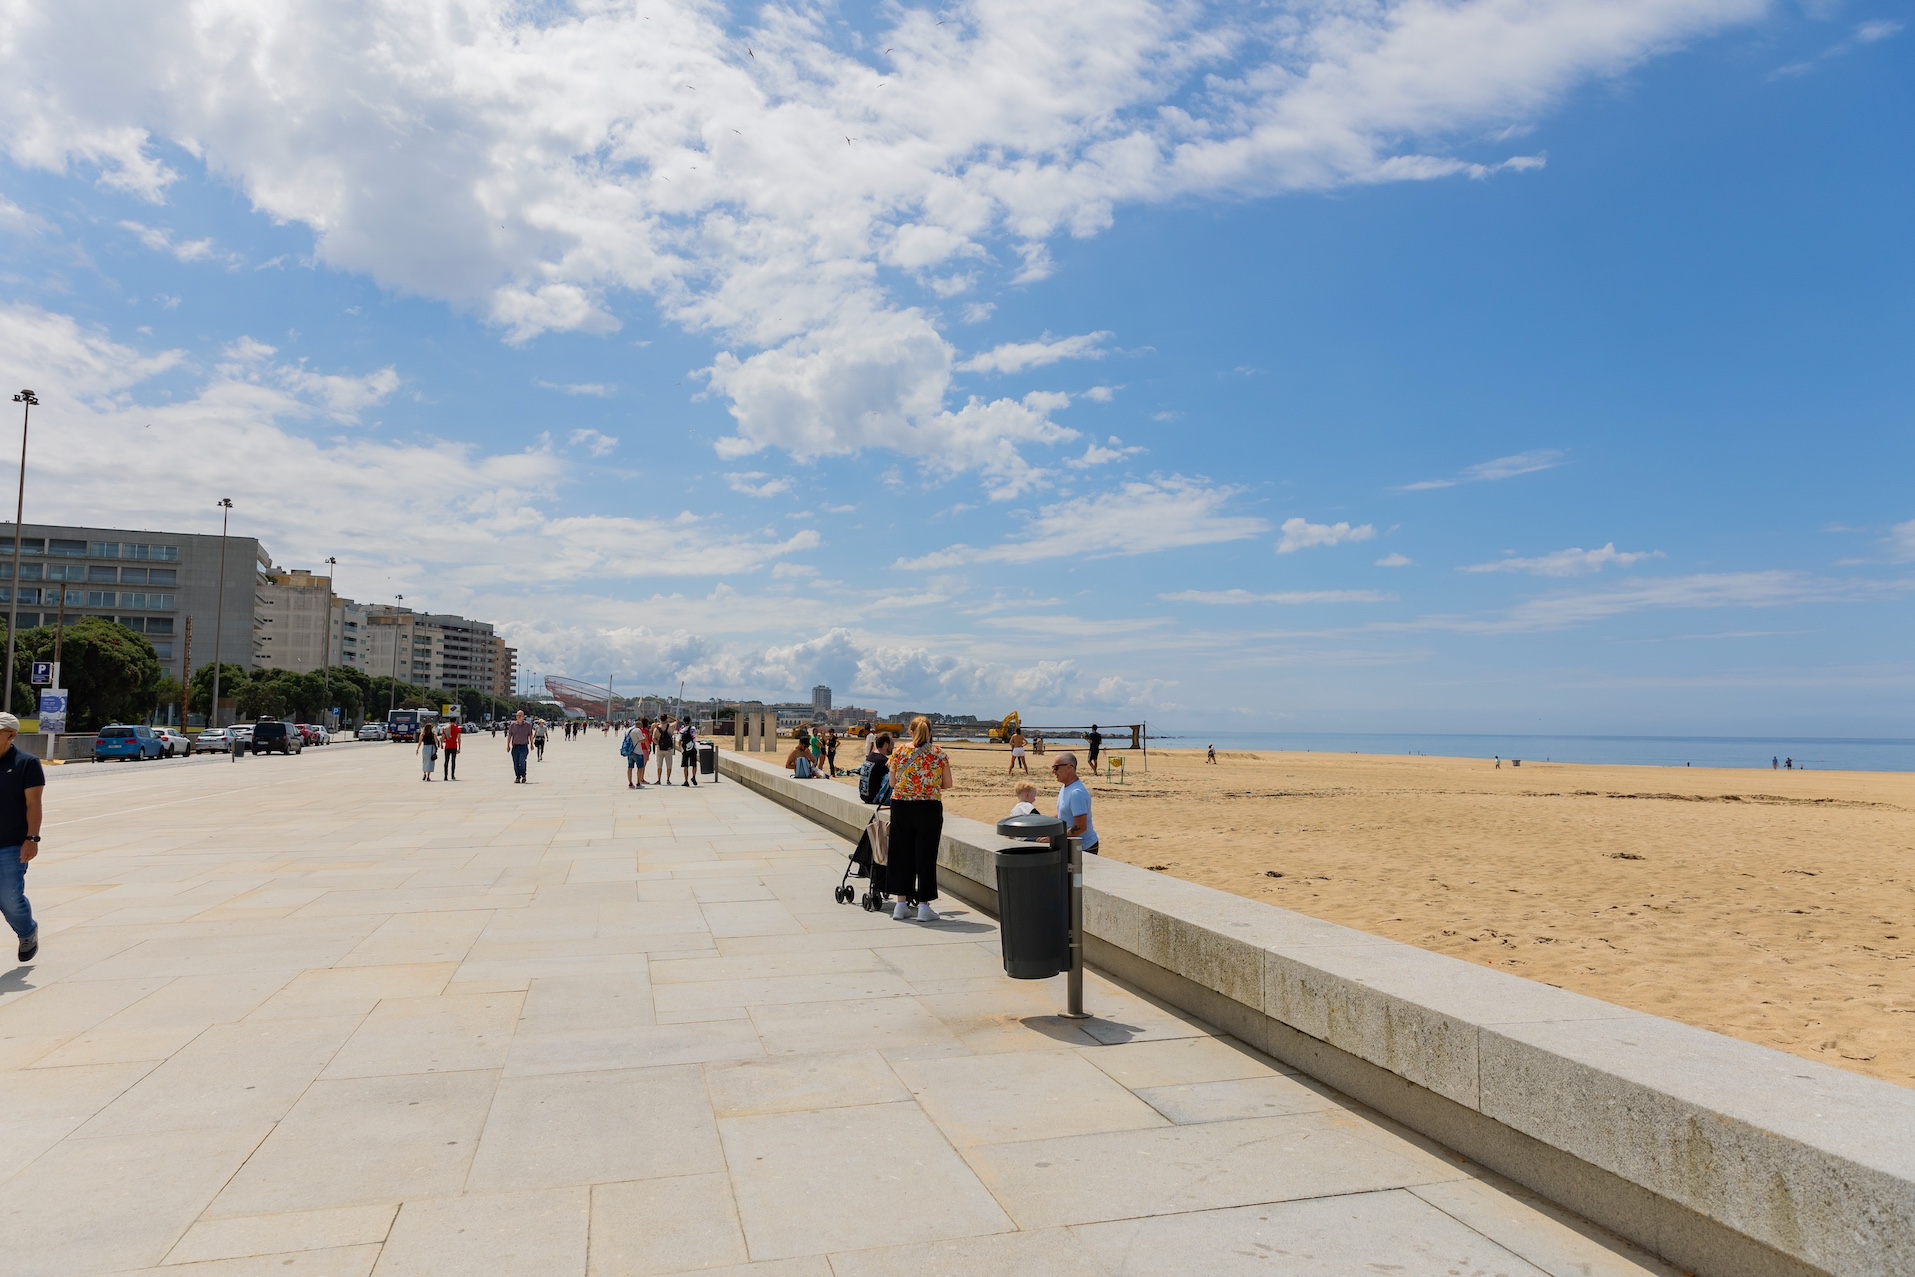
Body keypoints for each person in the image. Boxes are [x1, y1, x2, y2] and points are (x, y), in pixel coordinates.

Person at [887, 716, 951, 922]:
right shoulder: (938, 753)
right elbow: (947, 783)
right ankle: (923, 906)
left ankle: (900, 904)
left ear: (910, 732)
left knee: (901, 854)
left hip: (902, 806)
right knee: (926, 855)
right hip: (928, 807)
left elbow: (892, 782)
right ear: (930, 732)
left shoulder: (899, 751)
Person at [0, 713, 45, 962]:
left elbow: (33, 804)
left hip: (10, 844)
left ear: (11, 735)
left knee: (8, 898)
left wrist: (32, 838)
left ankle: (27, 931)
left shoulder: (26, 763)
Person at [1052, 751, 1099, 855]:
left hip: (1084, 848)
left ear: (1068, 767)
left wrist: (1055, 838)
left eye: (1056, 767)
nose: (1053, 771)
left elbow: (1081, 826)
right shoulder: (1066, 786)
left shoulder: (1076, 793)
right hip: (1073, 845)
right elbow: (1063, 813)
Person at [506, 711, 534, 783]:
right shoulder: (512, 725)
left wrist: (531, 744)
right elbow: (510, 735)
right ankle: (517, 777)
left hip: (523, 746)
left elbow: (530, 735)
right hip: (515, 747)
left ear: (523, 716)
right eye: (517, 715)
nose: (518, 716)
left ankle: (523, 775)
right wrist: (508, 745)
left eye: (520, 715)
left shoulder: (527, 725)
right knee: (516, 762)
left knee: (522, 761)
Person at [622, 718, 649, 788]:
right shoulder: (637, 730)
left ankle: (630, 783)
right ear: (639, 725)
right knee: (640, 767)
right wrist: (645, 737)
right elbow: (642, 740)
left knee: (630, 767)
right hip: (638, 751)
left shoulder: (628, 730)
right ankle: (638, 783)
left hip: (629, 751)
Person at [654, 716, 675, 785]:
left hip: (660, 749)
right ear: (666, 719)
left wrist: (658, 744)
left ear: (660, 719)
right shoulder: (670, 726)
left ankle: (659, 779)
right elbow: (676, 721)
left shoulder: (657, 728)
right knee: (669, 765)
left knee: (659, 764)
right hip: (668, 749)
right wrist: (670, 717)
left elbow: (653, 738)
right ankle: (668, 780)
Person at [679, 717, 699, 787]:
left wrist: (681, 750)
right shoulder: (693, 729)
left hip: (685, 750)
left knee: (685, 765)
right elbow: (694, 737)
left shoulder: (682, 731)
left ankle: (686, 781)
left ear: (684, 722)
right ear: (690, 721)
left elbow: (680, 741)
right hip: (693, 748)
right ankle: (693, 776)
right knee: (694, 764)